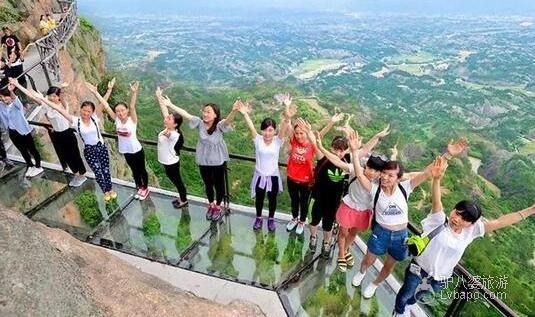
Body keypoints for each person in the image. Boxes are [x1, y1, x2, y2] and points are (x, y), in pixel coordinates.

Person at [393, 157, 535, 316]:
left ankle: (407, 306)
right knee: (405, 294)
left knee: (418, 297)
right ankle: (399, 311)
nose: (457, 218)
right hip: (418, 270)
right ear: (453, 209)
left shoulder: (471, 232)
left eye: (464, 218)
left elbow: (501, 221)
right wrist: (437, 180)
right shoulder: (439, 220)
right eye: (457, 213)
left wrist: (530, 210)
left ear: (472, 223)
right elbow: (436, 200)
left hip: (441, 279)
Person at [349, 129, 469, 299]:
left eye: (390, 175)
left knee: (389, 265)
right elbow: (360, 174)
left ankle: (374, 284)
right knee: (369, 259)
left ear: (398, 178)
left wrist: (448, 155)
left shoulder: (405, 188)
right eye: (384, 173)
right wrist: (354, 152)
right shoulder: (374, 189)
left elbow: (428, 172)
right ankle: (361, 272)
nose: (385, 177)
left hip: (401, 236)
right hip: (381, 232)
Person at [314, 124, 390, 267]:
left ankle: (345, 250)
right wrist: (321, 147)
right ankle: (341, 254)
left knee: (353, 234)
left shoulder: (379, 182)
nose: (372, 172)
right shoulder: (356, 170)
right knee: (343, 232)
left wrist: (377, 137)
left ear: (380, 173)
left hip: (363, 211)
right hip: (348, 206)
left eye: (376, 171)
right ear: (365, 166)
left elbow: (366, 148)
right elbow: (336, 161)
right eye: (369, 168)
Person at [158, 93, 239, 221]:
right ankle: (211, 204)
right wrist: (170, 104)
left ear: (215, 115)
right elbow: (185, 114)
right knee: (207, 184)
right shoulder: (199, 123)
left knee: (219, 185)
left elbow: (228, 120)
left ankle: (218, 206)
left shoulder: (219, 126)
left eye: (208, 112)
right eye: (204, 111)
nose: (205, 114)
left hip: (218, 160)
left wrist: (234, 110)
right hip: (203, 160)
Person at [40, 88, 117, 201]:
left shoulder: (95, 118)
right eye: (84, 110)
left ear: (92, 112)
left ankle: (110, 189)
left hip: (101, 147)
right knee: (98, 172)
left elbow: (103, 103)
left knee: (105, 169)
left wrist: (108, 90)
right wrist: (44, 99)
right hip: (89, 150)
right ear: (80, 110)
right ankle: (105, 191)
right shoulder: (76, 121)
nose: (86, 113)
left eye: (88, 111)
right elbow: (60, 110)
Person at [12, 81, 87, 187]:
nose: (51, 98)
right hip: (57, 134)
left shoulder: (62, 105)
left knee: (74, 155)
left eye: (54, 96)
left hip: (67, 134)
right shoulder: (47, 106)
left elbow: (62, 99)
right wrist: (17, 85)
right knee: (65, 155)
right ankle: (76, 174)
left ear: (58, 97)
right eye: (50, 95)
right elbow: (33, 97)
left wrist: (62, 89)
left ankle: (81, 175)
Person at [87, 79, 149, 200]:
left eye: (122, 110)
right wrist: (95, 92)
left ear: (126, 111)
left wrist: (133, 92)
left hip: (136, 150)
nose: (120, 113)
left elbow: (132, 105)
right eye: (118, 111)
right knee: (134, 170)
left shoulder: (132, 120)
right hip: (126, 151)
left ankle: (145, 189)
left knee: (142, 170)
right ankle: (139, 187)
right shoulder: (116, 120)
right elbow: (105, 104)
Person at [234, 99, 290, 231]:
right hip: (259, 175)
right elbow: (250, 126)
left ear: (274, 131)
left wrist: (287, 108)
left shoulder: (278, 141)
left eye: (270, 130)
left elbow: (285, 124)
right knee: (259, 199)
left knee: (272, 200)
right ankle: (258, 218)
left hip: (273, 176)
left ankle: (271, 219)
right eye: (265, 130)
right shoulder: (257, 140)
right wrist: (244, 113)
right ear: (262, 130)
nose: (267, 133)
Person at [0, 79, 43, 177]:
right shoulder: (1, 106)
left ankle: (38, 166)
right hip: (12, 132)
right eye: (1, 98)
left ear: (10, 97)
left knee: (32, 149)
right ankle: (30, 166)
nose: (3, 99)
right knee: (23, 151)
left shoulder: (16, 105)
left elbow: (15, 99)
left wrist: (11, 91)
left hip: (24, 131)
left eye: (5, 97)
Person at [155, 87, 188, 208]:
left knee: (177, 181)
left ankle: (183, 200)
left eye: (169, 119)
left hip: (171, 163)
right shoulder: (170, 128)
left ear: (175, 124)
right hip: (167, 161)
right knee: (174, 180)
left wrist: (167, 133)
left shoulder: (173, 134)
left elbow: (170, 135)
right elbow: (164, 110)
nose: (166, 118)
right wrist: (159, 97)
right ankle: (182, 197)